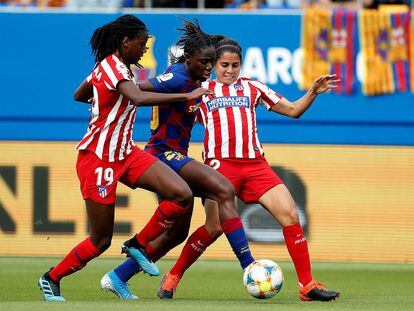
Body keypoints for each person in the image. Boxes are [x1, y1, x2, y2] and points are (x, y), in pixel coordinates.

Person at [37, 14, 211, 302]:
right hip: (98, 159)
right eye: (141, 44)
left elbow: (81, 94)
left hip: (127, 153)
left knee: (180, 193)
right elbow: (138, 99)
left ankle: (137, 245)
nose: (144, 50)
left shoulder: (115, 69)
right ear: (125, 41)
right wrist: (185, 96)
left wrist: (103, 99)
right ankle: (52, 277)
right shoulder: (111, 66)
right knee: (100, 240)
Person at [158, 38, 341, 301]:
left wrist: (312, 91)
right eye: (224, 65)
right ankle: (174, 275)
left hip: (255, 166)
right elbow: (175, 117)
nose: (229, 70)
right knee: (213, 227)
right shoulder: (202, 90)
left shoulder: (253, 88)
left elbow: (293, 110)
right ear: (214, 65)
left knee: (290, 215)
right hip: (219, 168)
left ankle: (307, 286)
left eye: (235, 65)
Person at [100, 20, 256, 300]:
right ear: (190, 58)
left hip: (175, 156)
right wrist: (105, 90)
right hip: (162, 154)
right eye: (206, 62)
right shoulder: (178, 78)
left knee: (177, 233)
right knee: (224, 189)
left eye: (212, 61)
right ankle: (250, 268)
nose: (210, 68)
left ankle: (118, 277)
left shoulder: (193, 78)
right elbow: (137, 88)